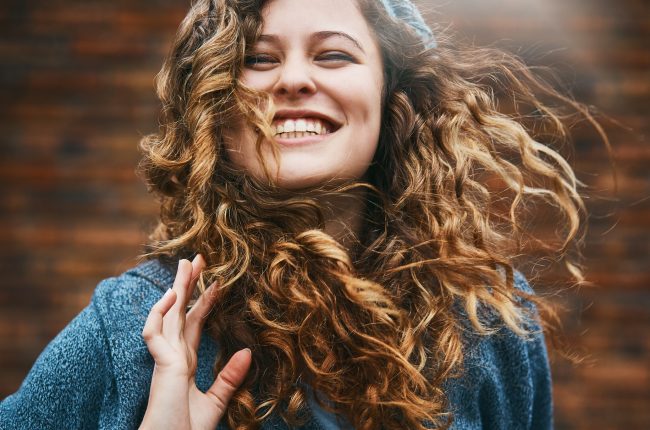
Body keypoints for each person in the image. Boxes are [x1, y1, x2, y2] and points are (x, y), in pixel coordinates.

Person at [0, 0, 598, 428]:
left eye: (334, 55)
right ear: (217, 106)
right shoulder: (136, 328)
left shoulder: (490, 316)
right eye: (258, 59)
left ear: (396, 100)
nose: (292, 79)